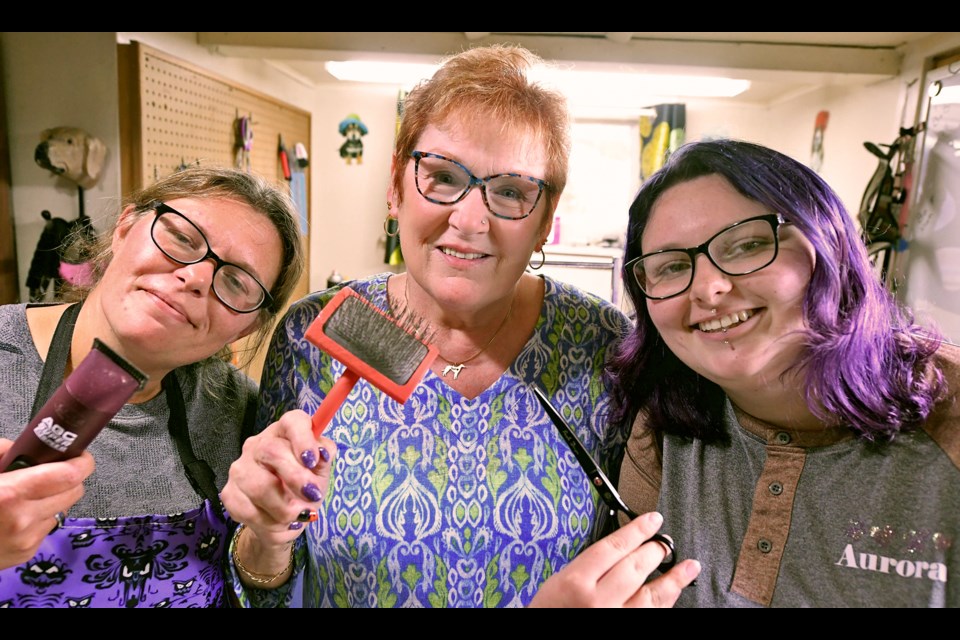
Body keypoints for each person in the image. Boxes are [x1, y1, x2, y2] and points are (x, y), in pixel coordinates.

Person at [221, 44, 699, 608]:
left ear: (547, 219)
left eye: (512, 192)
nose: (469, 219)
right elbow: (265, 587)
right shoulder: (312, 339)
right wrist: (265, 541)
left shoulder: (604, 346)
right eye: (443, 176)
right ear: (396, 185)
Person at [609, 138, 959, 608]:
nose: (709, 288)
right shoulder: (664, 420)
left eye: (748, 244)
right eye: (672, 267)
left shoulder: (949, 418)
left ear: (828, 242)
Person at [0, 165, 332, 608]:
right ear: (124, 229)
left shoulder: (240, 413)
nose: (194, 278)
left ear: (245, 328)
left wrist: (272, 539)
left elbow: (260, 592)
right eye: (181, 239)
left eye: (236, 281)